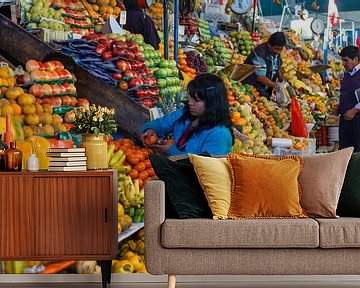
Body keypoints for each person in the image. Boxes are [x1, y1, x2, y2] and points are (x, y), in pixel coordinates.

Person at [140, 74, 234, 156]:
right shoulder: (185, 114)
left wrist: (171, 151)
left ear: (212, 103)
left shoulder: (219, 134)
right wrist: (150, 130)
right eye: (191, 97)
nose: (190, 103)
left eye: (196, 100)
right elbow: (161, 124)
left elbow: (205, 166)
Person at [243, 31, 286, 98]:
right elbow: (260, 77)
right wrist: (275, 86)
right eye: (276, 49)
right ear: (269, 45)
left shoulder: (275, 53)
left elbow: (275, 65)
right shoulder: (259, 54)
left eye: (281, 49)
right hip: (253, 89)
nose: (278, 52)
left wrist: (279, 74)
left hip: (265, 89)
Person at [334, 45, 360, 152]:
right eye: (342, 60)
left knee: (357, 151)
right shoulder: (346, 74)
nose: (343, 64)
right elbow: (344, 91)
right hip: (345, 120)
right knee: (345, 151)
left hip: (357, 120)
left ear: (356, 59)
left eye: (346, 60)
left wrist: (354, 110)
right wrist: (338, 104)